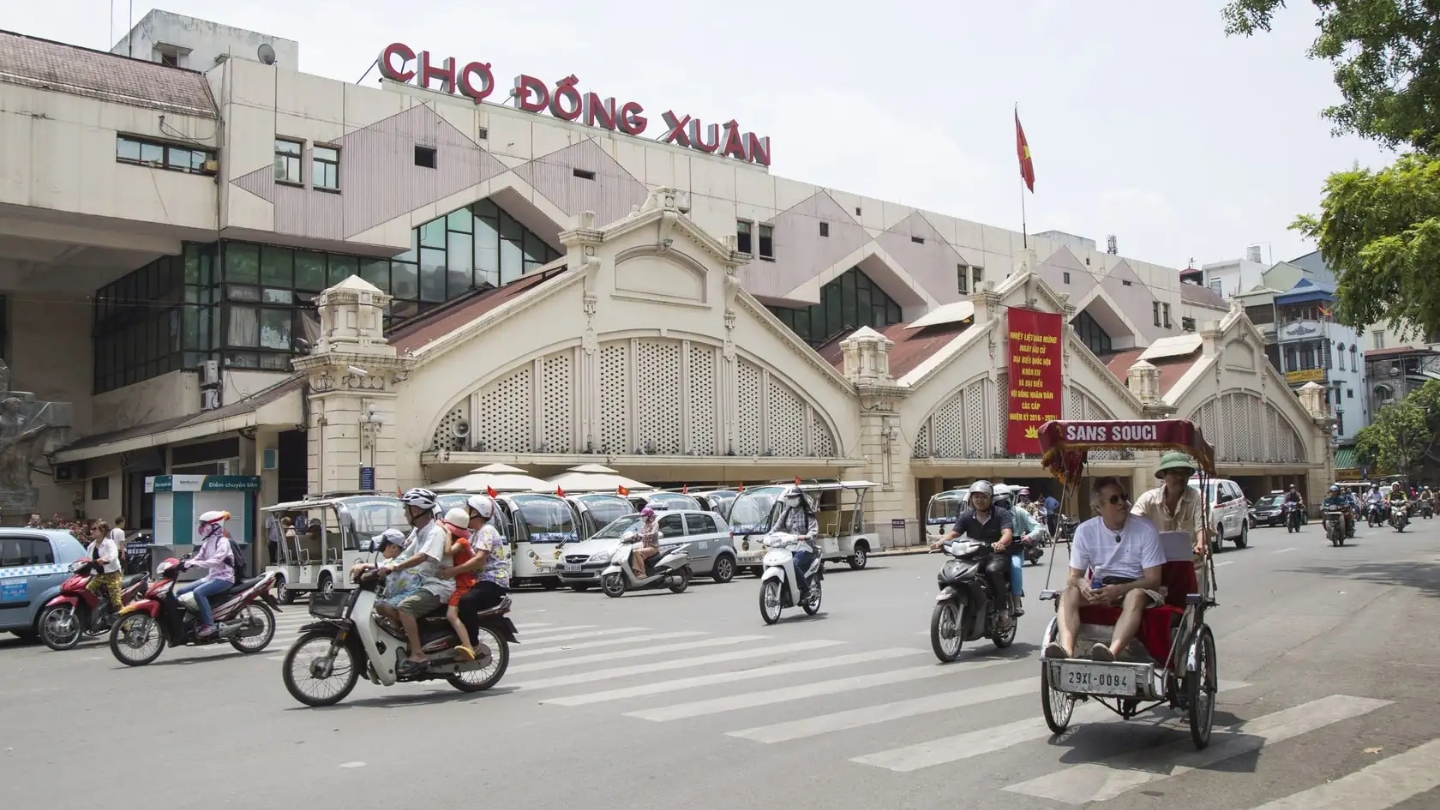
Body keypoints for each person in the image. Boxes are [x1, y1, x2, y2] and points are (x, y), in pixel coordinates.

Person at [1045, 477, 1166, 662]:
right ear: (1098, 508)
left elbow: (1153, 580)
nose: (1122, 503)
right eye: (1114, 500)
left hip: (1137, 587)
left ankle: (1111, 653)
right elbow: (1074, 577)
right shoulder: (1085, 531)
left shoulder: (1145, 529)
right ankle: (1067, 651)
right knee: (1068, 592)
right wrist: (1084, 585)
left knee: (1135, 596)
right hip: (1101, 586)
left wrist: (1120, 590)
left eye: (1124, 497)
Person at [376, 488, 453, 676]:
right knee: (383, 607)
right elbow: (403, 556)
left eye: (407, 509)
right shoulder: (419, 532)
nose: (405, 513)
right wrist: (370, 567)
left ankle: (418, 654)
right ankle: (407, 640)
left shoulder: (435, 532)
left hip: (438, 586)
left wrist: (395, 567)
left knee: (405, 608)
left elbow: (421, 556)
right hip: (423, 584)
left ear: (416, 510)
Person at [929, 480, 1014, 615]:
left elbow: (1007, 533)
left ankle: (1001, 609)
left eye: (983, 497)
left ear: (991, 498)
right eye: (976, 496)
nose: (979, 500)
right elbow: (954, 533)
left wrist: (1000, 544)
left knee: (992, 571)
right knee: (953, 572)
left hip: (995, 555)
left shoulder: (1002, 514)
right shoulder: (966, 515)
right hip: (972, 554)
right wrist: (940, 542)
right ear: (971, 498)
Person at [1131, 452, 1210, 596]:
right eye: (1174, 473)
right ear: (1163, 475)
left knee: (1196, 596)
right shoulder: (1148, 499)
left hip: (1190, 564)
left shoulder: (1197, 498)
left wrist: (1201, 544)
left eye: (1184, 473)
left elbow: (1202, 526)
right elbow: (1132, 524)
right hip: (1154, 564)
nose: (1180, 477)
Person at [441, 495, 511, 648]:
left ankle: (473, 644)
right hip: (477, 580)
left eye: (468, 509)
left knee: (466, 601)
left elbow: (479, 559)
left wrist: (454, 571)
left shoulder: (486, 531)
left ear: (476, 512)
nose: (465, 512)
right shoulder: (474, 535)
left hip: (492, 580)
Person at [177, 511, 236, 637]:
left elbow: (215, 561)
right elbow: (198, 558)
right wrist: (183, 564)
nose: (201, 528)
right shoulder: (208, 542)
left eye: (204, 524)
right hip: (211, 577)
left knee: (199, 592)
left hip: (224, 578)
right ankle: (189, 621)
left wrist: (193, 564)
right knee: (181, 591)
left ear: (215, 525)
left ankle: (210, 625)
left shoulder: (223, 542)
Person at [436, 507, 478, 662]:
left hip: (463, 583)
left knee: (451, 615)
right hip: (457, 581)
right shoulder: (461, 540)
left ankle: (468, 646)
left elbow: (447, 551)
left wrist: (446, 532)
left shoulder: (462, 541)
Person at [991, 488, 1036, 616]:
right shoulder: (989, 513)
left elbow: (1037, 527)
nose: (1001, 505)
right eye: (997, 502)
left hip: (1013, 551)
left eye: (1004, 501)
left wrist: (1030, 536)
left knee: (1015, 566)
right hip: (992, 551)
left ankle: (1016, 603)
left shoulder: (1019, 512)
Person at [774, 486, 820, 595]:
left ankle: (806, 590)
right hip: (789, 546)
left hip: (805, 547)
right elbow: (775, 528)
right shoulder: (785, 514)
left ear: (800, 498)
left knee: (793, 564)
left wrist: (808, 536)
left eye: (794, 497)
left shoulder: (807, 513)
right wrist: (767, 537)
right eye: (789, 497)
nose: (791, 499)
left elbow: (813, 529)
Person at [84, 521, 124, 614]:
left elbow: (114, 554)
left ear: (102, 531)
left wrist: (105, 559)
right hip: (99, 575)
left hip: (112, 575)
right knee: (87, 591)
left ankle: (125, 621)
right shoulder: (91, 546)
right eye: (91, 529)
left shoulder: (109, 543)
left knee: (116, 602)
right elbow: (87, 559)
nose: (91, 531)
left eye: (94, 529)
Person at [630, 507, 661, 579]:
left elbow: (653, 533)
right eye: (642, 516)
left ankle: (641, 573)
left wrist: (643, 535)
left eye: (644, 516)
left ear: (649, 516)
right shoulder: (644, 525)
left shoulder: (655, 524)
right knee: (632, 552)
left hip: (653, 547)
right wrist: (633, 537)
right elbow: (640, 536)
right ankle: (635, 571)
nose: (643, 517)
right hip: (645, 547)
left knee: (637, 552)